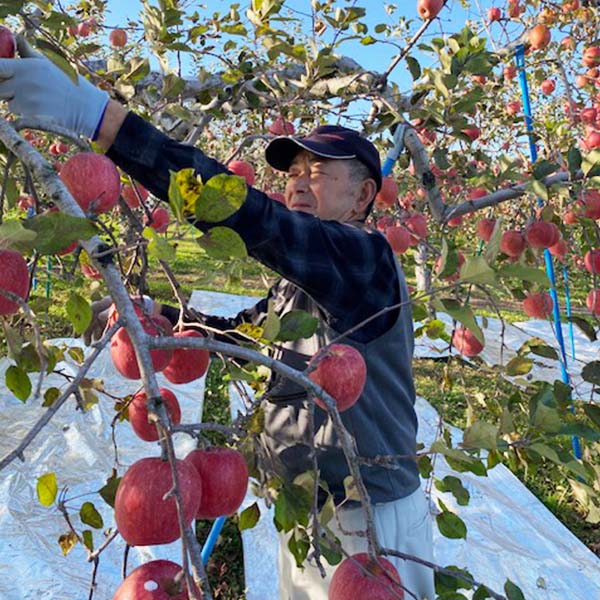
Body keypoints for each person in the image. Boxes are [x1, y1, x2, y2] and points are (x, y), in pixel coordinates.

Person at [0, 37, 435, 600]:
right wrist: (161, 319)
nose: (298, 181)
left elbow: (256, 220)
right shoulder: (314, 278)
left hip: (366, 519)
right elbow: (246, 334)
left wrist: (101, 120)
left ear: (363, 196)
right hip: (308, 506)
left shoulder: (364, 259)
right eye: (294, 169)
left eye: (320, 170)